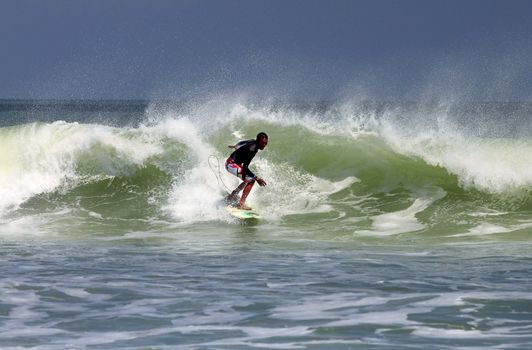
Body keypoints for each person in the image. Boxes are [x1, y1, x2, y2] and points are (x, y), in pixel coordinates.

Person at [225, 132, 268, 210]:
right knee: (251, 180)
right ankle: (241, 204)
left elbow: (242, 142)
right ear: (258, 141)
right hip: (231, 164)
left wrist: (236, 146)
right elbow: (245, 167)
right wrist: (257, 178)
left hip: (234, 164)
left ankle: (233, 195)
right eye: (262, 143)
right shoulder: (252, 149)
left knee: (246, 180)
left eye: (265, 143)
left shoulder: (253, 141)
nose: (264, 145)